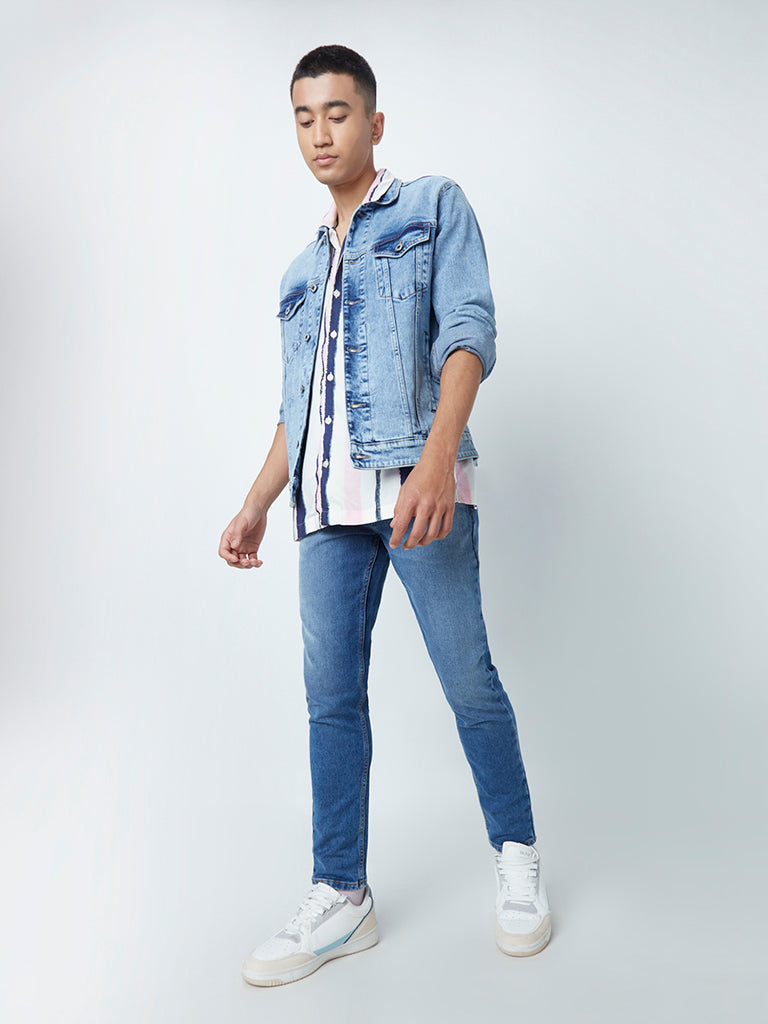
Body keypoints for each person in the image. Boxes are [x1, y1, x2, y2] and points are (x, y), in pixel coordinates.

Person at [219, 44, 551, 987]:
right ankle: (342, 895)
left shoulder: (432, 207)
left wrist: (436, 460)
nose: (320, 133)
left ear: (373, 122)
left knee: (468, 681)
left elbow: (468, 333)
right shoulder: (299, 269)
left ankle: (517, 856)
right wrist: (257, 501)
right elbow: (297, 406)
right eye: (304, 117)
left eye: (336, 113)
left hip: (416, 493)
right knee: (330, 699)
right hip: (325, 512)